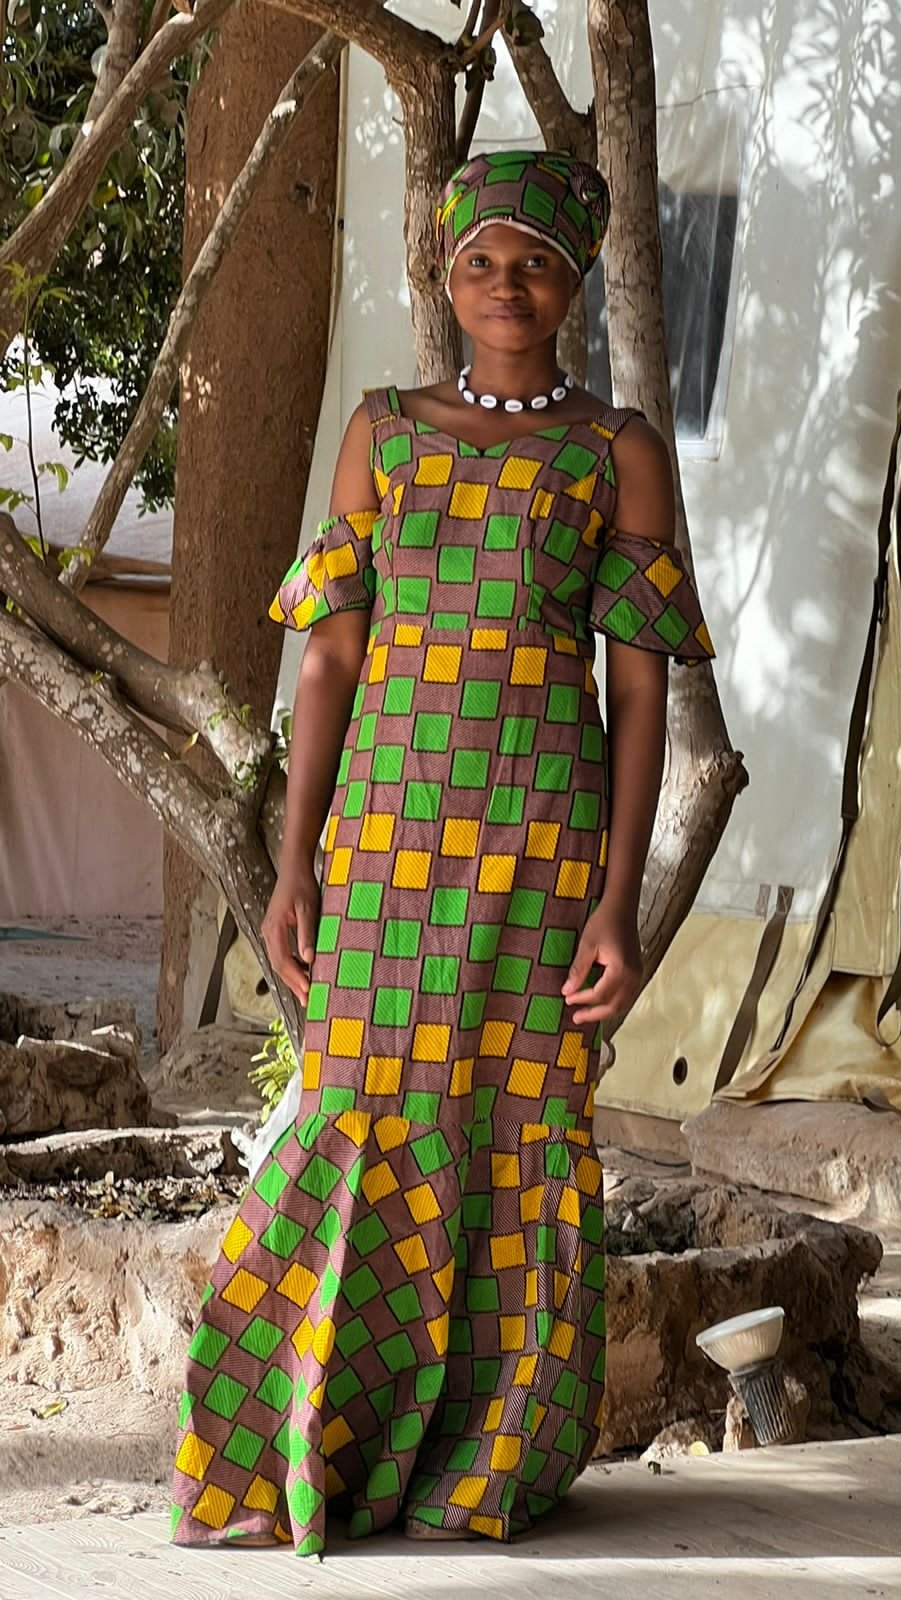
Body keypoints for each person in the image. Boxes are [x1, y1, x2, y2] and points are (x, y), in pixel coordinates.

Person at [167, 147, 714, 1562]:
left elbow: (640, 691)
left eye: (535, 261)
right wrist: (295, 863)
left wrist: (620, 902)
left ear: (575, 281)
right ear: (443, 275)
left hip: (543, 843)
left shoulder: (616, 453)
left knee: (515, 1130)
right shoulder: (383, 434)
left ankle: (481, 1466)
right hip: (387, 838)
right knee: (362, 1110)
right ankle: (295, 1456)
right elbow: (328, 661)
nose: (505, 284)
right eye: (480, 260)